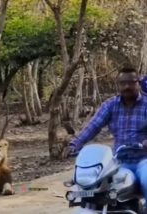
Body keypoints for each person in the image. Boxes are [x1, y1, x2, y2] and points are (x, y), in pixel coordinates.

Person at [63, 67, 147, 206]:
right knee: (102, 189)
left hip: (144, 160)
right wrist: (74, 144)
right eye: (123, 83)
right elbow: (93, 126)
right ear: (118, 85)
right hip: (119, 162)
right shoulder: (110, 105)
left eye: (131, 82)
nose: (127, 86)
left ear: (138, 83)